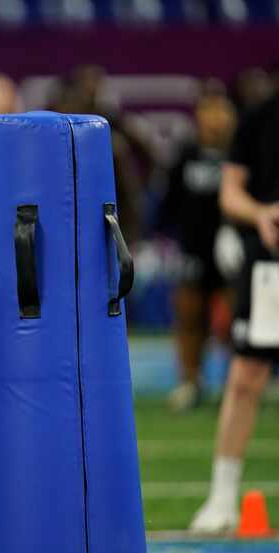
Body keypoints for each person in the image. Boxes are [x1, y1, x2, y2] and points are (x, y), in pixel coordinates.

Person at [189, 85, 279, 533]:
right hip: (271, 267)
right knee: (245, 379)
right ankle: (222, 497)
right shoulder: (260, 116)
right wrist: (263, 214)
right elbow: (230, 194)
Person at [161, 89, 237, 412]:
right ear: (199, 117)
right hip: (194, 249)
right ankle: (190, 381)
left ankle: (238, 383)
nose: (216, 118)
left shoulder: (240, 154)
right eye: (209, 111)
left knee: (238, 318)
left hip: (233, 249)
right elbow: (169, 203)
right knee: (189, 316)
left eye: (221, 110)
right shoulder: (185, 155)